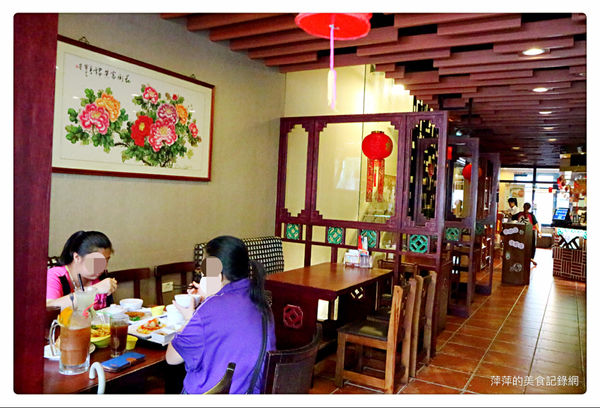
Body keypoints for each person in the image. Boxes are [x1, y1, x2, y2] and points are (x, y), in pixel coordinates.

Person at [166, 235, 276, 394]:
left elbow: (171, 358)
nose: (202, 277)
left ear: (217, 275)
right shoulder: (261, 301)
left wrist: (191, 318)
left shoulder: (210, 308)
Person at [46, 230, 118, 310]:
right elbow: (49, 306)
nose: (103, 267)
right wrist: (94, 290)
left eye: (106, 260)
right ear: (77, 257)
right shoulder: (55, 276)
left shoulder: (101, 279)